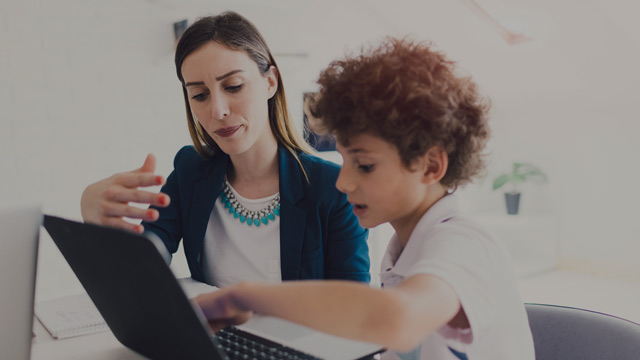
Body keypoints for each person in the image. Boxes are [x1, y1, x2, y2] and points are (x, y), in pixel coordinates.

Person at [194, 37, 535, 359]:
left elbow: (397, 321)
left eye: (365, 166)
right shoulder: (404, 249)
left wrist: (241, 297)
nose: (343, 182)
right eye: (344, 160)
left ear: (430, 165)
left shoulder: (464, 245)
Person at [79, 11, 370, 287]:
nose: (217, 110)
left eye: (233, 86)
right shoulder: (190, 169)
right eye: (200, 95)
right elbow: (149, 253)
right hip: (215, 341)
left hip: (303, 341)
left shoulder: (333, 189)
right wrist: (98, 221)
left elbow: (356, 310)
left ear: (270, 82)